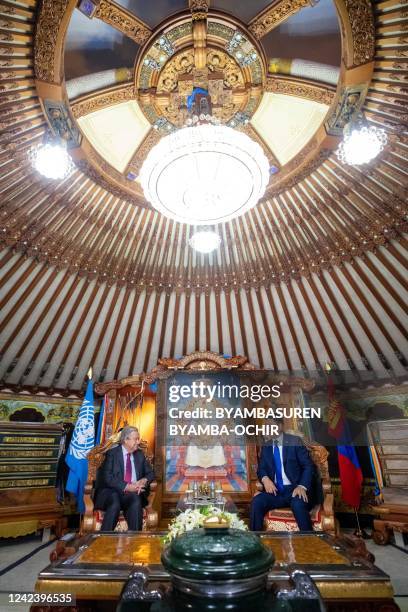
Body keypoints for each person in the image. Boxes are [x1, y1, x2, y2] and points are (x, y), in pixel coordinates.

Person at [250, 419, 321, 531]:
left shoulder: (295, 441)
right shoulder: (266, 446)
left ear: (280, 426)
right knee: (257, 502)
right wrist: (265, 479)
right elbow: (261, 468)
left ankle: (309, 540)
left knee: (298, 504)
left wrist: (302, 486)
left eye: (270, 425)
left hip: (295, 490)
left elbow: (308, 466)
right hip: (275, 491)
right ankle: (255, 541)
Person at [94, 426, 155, 531]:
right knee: (114, 500)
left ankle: (135, 539)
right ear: (126, 440)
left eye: (138, 438)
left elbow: (151, 473)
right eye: (135, 439)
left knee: (135, 499)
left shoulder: (139, 455)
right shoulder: (112, 454)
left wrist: (144, 480)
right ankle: (104, 538)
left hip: (131, 494)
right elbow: (107, 478)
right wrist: (127, 486)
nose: (138, 441)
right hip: (111, 492)